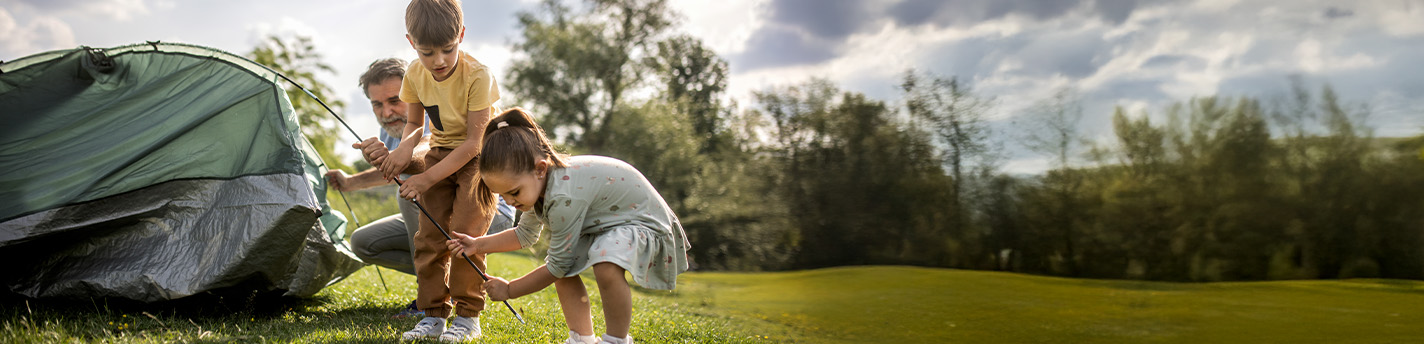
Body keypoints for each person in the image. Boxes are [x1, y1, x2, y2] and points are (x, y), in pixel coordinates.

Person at [446, 108, 691, 344]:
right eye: (503, 196)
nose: (510, 202)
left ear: (540, 169)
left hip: (642, 220)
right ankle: (582, 339)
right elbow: (525, 234)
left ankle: (616, 341)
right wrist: (478, 244)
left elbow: (557, 265)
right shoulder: (536, 185)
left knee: (603, 267)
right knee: (565, 272)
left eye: (514, 193)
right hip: (607, 224)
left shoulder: (564, 196)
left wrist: (510, 289)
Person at [357, 0, 503, 341]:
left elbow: (473, 144)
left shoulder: (478, 75)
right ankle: (434, 315)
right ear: (411, 43)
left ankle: (468, 318)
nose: (438, 61)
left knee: (465, 236)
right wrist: (405, 147)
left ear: (461, 36)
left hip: (478, 160)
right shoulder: (414, 73)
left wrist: (424, 178)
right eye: (427, 52)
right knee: (428, 238)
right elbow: (413, 123)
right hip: (441, 152)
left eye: (448, 50)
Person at [329, 57, 514, 319]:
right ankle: (449, 274)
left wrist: (400, 158)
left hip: (491, 212)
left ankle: (431, 297)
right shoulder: (390, 131)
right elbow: (397, 168)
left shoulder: (433, 114)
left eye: (394, 100)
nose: (386, 112)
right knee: (363, 243)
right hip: (439, 209)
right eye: (377, 104)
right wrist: (350, 183)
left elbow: (423, 154)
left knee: (409, 194)